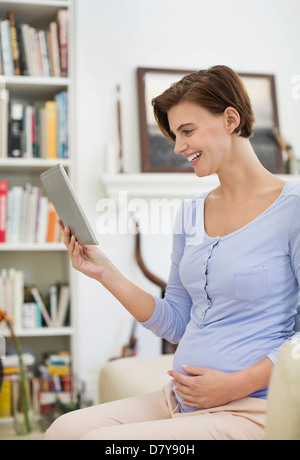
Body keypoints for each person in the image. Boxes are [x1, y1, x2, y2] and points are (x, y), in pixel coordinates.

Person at [45, 65, 300, 440]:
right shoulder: (191, 213)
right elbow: (177, 320)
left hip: (252, 407)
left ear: (231, 119)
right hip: (181, 398)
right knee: (63, 430)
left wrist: (236, 384)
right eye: (174, 135)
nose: (178, 147)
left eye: (187, 131)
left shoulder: (292, 208)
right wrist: (105, 272)